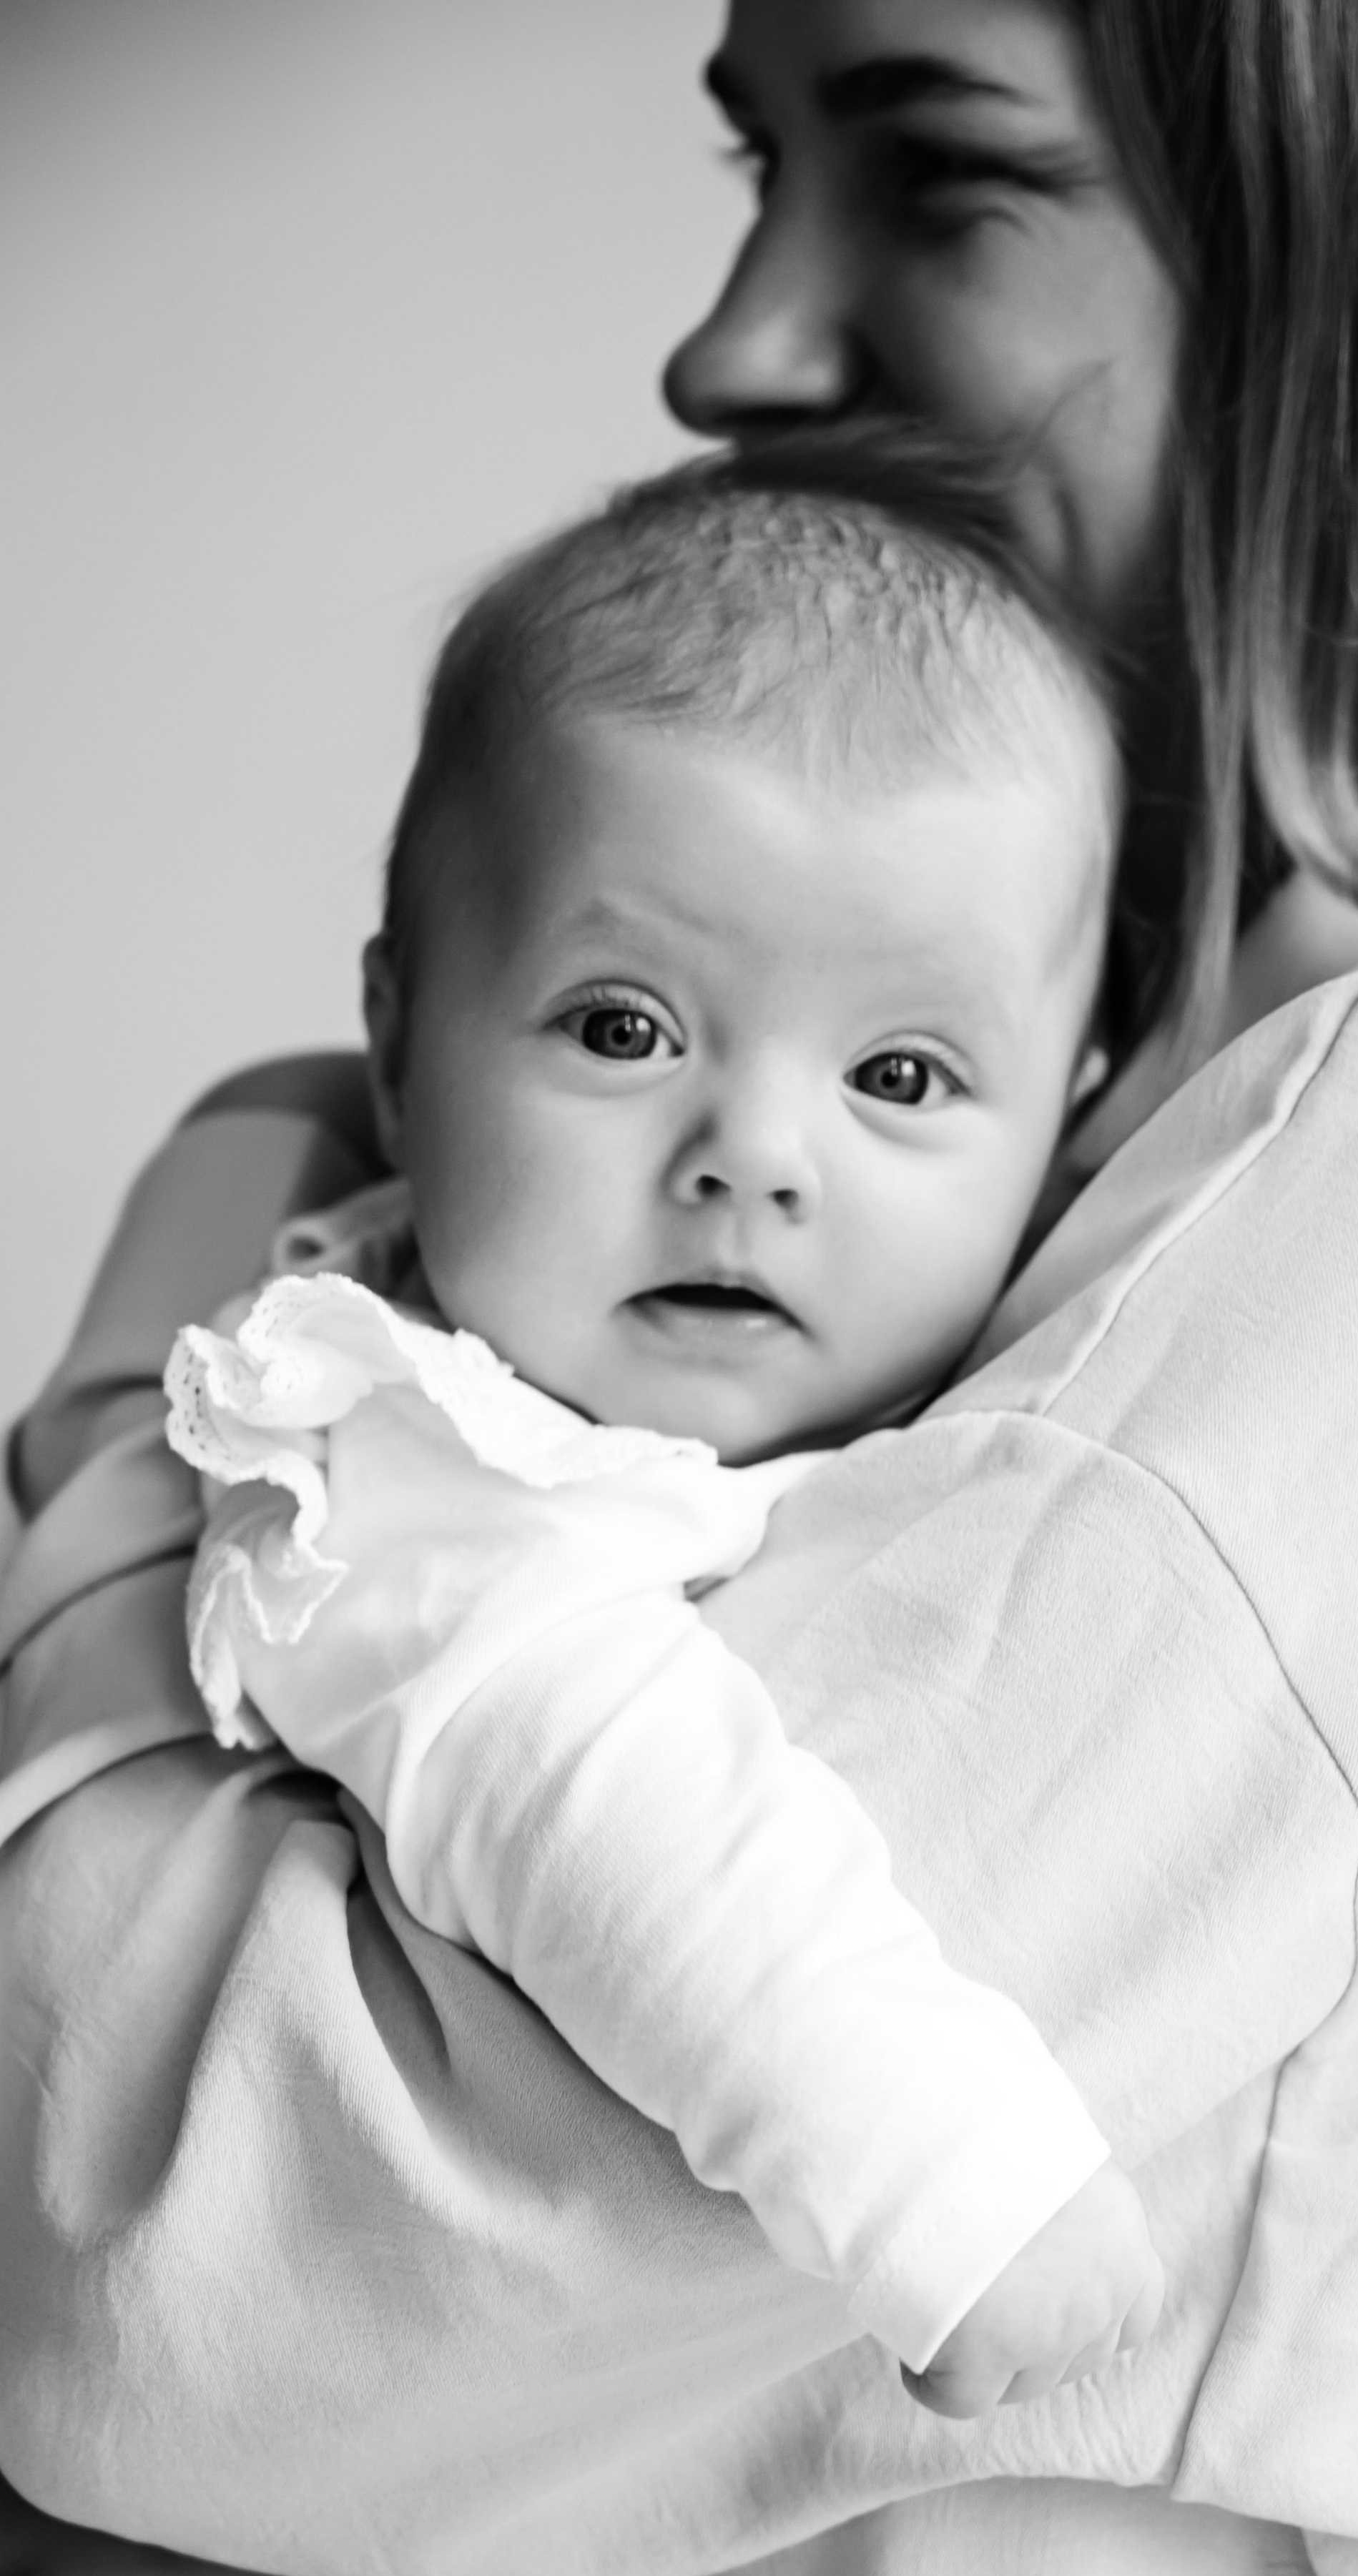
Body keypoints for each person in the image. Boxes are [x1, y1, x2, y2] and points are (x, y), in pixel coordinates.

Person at [4, 0, 1358, 2576]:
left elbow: (162, 2273)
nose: (728, 343)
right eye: (754, 162)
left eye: (943, 173)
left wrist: (168, 1374)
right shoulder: (1074, 1140)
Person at [162, 459, 1161, 2419]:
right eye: (624, 1027)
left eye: (900, 1074)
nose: (752, 1158)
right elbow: (592, 1786)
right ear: (398, 1047)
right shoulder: (419, 1463)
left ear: (1076, 1122)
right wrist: (943, 2175)